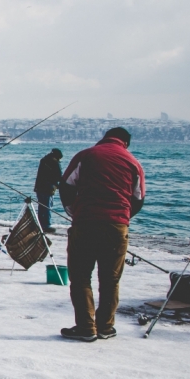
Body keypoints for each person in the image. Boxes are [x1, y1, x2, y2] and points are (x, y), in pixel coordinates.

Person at [58, 127, 145, 342]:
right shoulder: (133, 163)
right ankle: (106, 326)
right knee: (110, 279)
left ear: (104, 138)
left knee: (80, 277)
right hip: (117, 226)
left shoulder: (86, 155)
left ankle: (86, 327)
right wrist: (123, 217)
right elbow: (139, 198)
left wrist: (73, 211)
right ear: (126, 143)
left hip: (86, 222)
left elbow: (65, 186)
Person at [34, 148, 63, 233]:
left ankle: (40, 225)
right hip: (47, 189)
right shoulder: (54, 163)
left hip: (39, 187)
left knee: (41, 207)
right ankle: (46, 225)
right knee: (47, 207)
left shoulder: (43, 161)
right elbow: (59, 176)